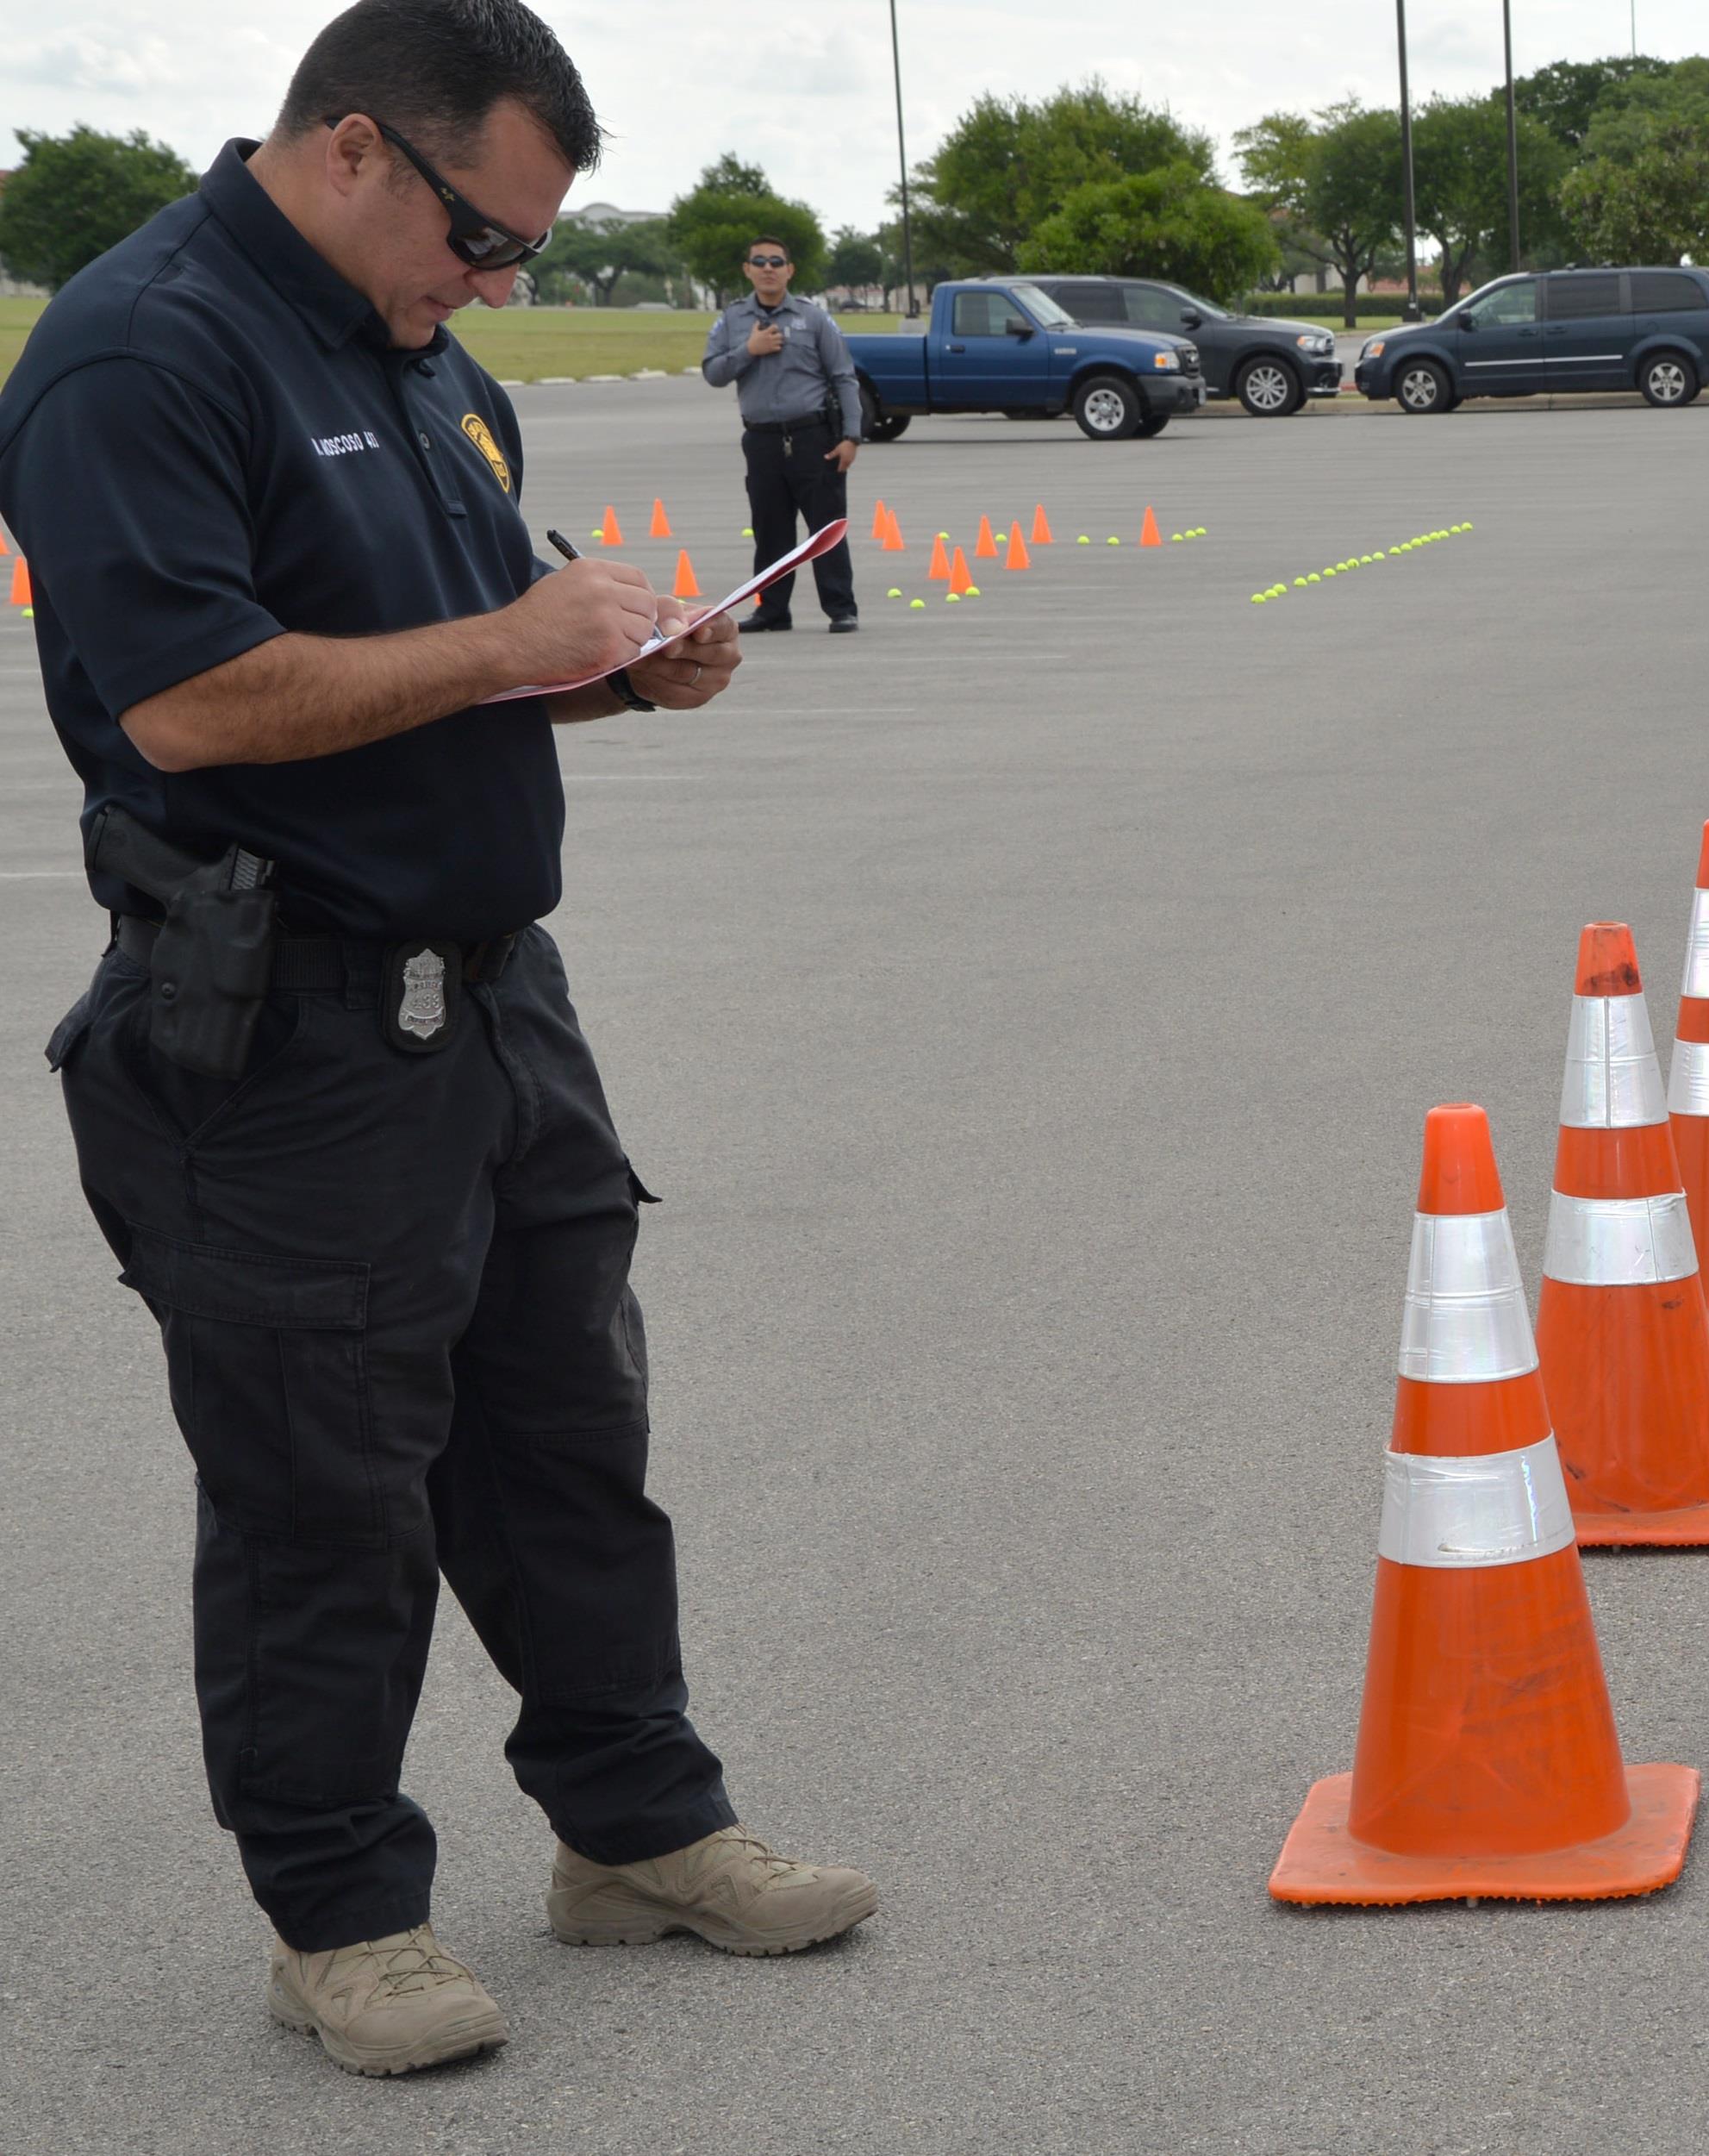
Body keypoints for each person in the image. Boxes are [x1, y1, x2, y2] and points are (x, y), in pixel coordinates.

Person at [0, 0, 872, 2079]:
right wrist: (509, 641)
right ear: (354, 150)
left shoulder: (423, 360)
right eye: (483, 238)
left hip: (488, 998)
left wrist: (614, 671)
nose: (492, 285)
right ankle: (339, 1915)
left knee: (566, 1434)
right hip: (281, 1022)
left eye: (526, 255)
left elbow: (450, 664)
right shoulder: (143, 353)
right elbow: (189, 702)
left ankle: (635, 1824)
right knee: (322, 1491)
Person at [700, 233, 862, 634]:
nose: (768, 269)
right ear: (747, 270)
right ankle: (772, 610)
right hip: (762, 441)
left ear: (790, 270)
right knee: (770, 530)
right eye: (760, 262)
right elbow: (713, 373)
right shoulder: (733, 320)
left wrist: (852, 436)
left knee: (825, 528)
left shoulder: (813, 318)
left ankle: (841, 608)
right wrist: (749, 350)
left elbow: (844, 377)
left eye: (776, 262)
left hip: (814, 438)